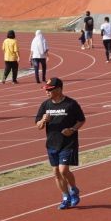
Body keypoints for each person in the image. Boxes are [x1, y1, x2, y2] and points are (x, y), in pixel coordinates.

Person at [35, 77, 86, 210]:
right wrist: (43, 121)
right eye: (46, 90)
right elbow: (38, 126)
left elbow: (81, 120)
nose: (47, 92)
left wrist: (73, 129)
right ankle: (65, 196)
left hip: (68, 143)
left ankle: (73, 189)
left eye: (50, 90)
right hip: (52, 143)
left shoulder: (71, 104)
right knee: (56, 173)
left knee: (63, 170)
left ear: (59, 89)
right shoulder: (45, 105)